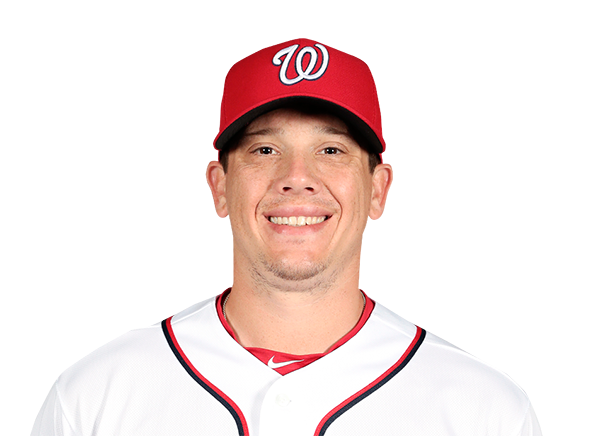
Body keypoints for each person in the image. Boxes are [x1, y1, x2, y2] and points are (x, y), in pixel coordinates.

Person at [32, 41, 541, 436]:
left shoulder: (482, 410)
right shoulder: (97, 395)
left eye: (332, 151)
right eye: (265, 151)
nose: (297, 177)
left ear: (377, 191)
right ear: (220, 188)